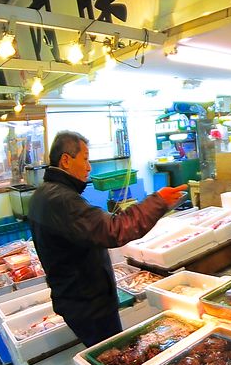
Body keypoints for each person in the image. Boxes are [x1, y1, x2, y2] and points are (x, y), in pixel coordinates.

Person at [28, 131, 187, 347]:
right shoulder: (62, 199)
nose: (89, 167)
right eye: (84, 159)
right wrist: (158, 201)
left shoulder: (43, 194)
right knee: (111, 356)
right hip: (88, 305)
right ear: (65, 160)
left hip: (75, 299)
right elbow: (115, 229)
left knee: (108, 355)